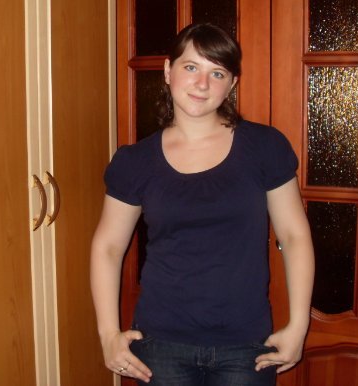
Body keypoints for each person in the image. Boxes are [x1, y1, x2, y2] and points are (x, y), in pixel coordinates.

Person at [90, 22, 314, 385]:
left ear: (232, 84)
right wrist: (108, 335)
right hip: (160, 345)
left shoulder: (264, 147)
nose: (202, 83)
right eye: (191, 67)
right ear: (168, 71)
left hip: (246, 345)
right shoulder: (135, 161)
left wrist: (299, 325)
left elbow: (294, 235)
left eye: (217, 73)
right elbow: (108, 247)